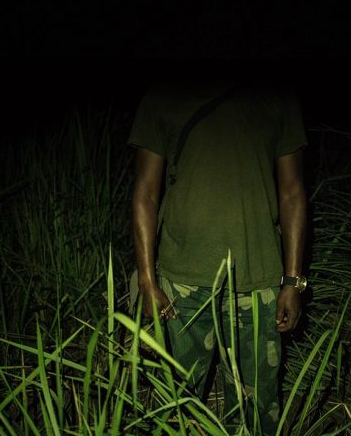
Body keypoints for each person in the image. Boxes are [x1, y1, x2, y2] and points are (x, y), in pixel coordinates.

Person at [129, 81, 308, 435]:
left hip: (259, 285)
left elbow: (292, 193)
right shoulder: (163, 95)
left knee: (256, 411)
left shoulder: (277, 96)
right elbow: (145, 193)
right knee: (173, 406)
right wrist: (147, 279)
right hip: (181, 284)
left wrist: (292, 280)